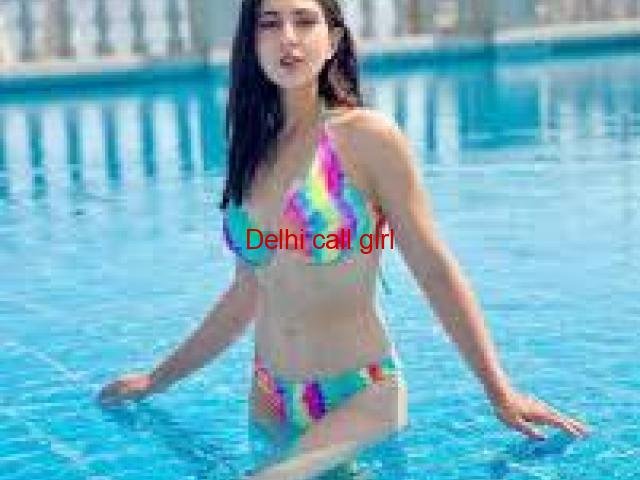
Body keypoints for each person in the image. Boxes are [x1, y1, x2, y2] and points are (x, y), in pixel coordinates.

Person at [97, 1, 590, 478]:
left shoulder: (367, 138)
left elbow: (433, 269)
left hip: (359, 394)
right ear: (252, 43)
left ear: (332, 40)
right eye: (269, 23)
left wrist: (498, 389)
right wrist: (156, 380)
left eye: (304, 21)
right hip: (270, 395)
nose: (288, 38)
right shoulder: (250, 151)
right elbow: (246, 293)